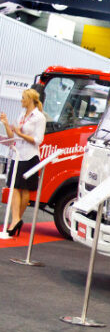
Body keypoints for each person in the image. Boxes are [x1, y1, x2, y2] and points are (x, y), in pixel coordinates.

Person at [0, 88, 46, 236]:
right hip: (17, 154)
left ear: (30, 99)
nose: (21, 100)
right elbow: (12, 135)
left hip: (29, 156)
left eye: (23, 98)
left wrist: (20, 133)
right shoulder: (22, 114)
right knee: (14, 186)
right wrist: (6, 124)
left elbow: (38, 140)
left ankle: (15, 220)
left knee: (24, 188)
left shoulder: (39, 117)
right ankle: (16, 220)